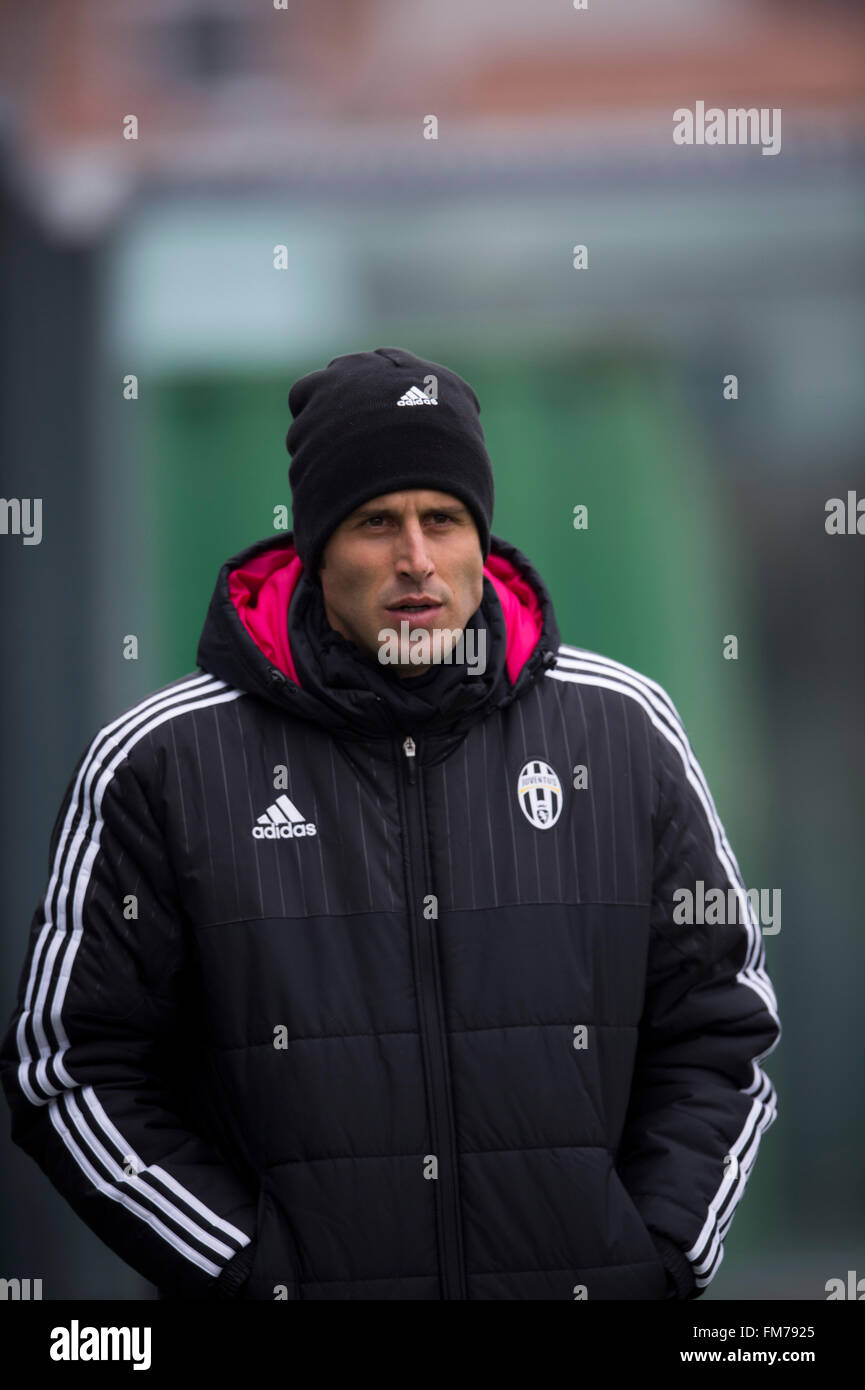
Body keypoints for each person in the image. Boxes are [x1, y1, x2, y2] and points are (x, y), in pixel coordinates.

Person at [1, 347, 780, 1301]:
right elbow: (69, 1065)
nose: (416, 559)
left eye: (442, 520)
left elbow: (718, 1027)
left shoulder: (621, 729)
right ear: (317, 546)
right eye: (376, 523)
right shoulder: (163, 763)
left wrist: (656, 1256)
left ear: (479, 541)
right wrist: (251, 1276)